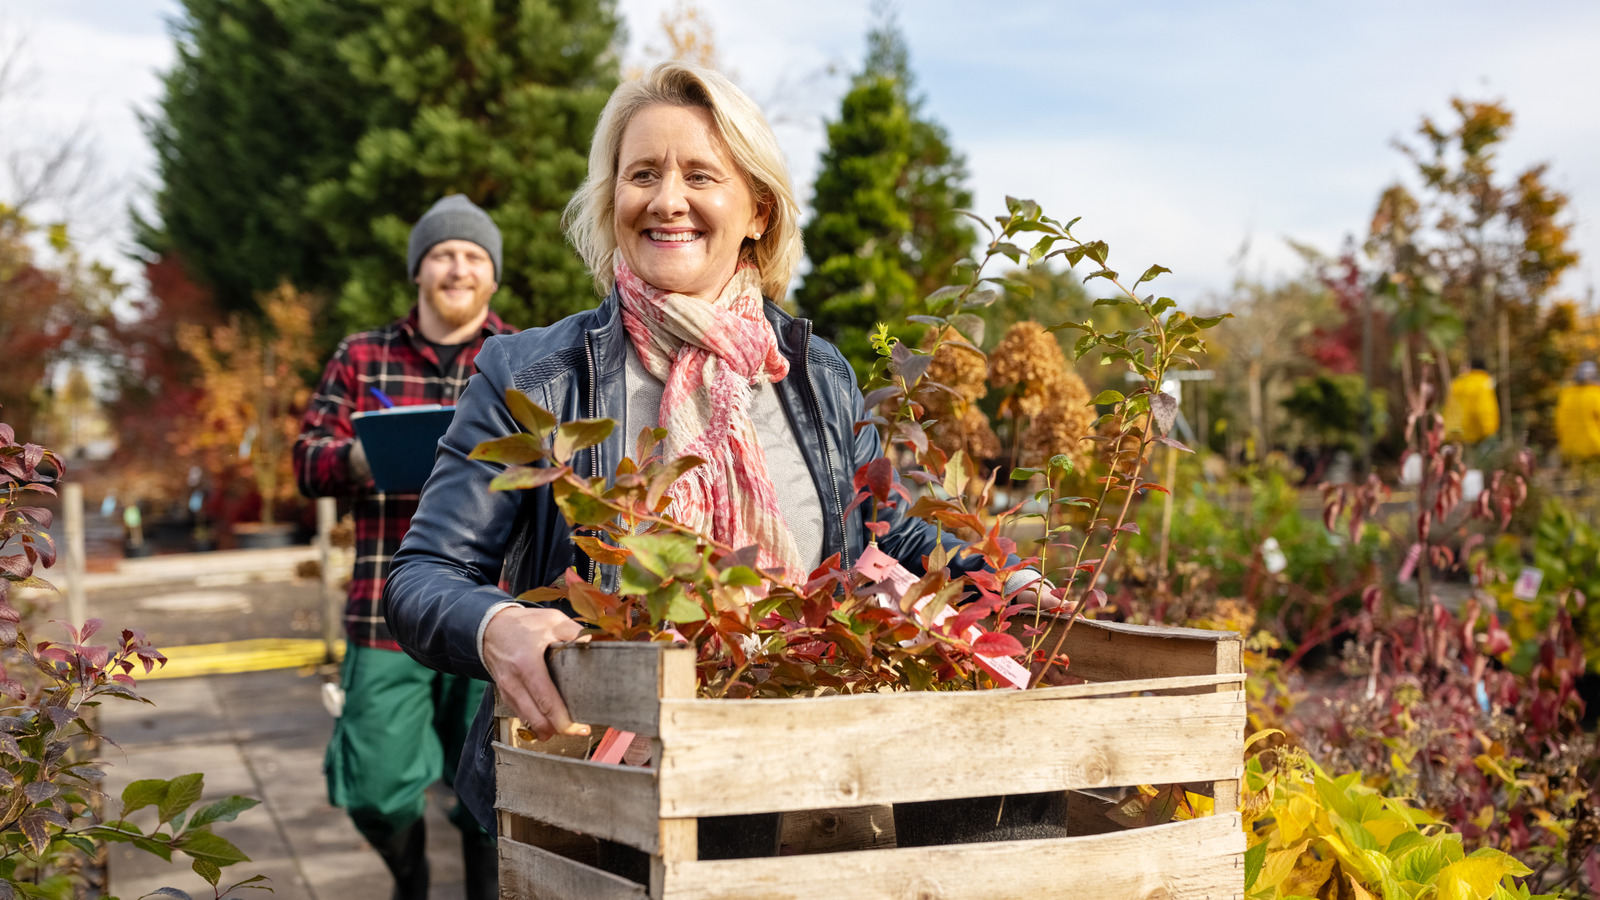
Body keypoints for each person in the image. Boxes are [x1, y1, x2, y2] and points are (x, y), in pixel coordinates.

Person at [382, 62, 1043, 840]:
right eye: (641, 175)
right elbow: (423, 576)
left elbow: (885, 533)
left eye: (701, 174)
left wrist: (1000, 574)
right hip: (601, 801)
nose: (667, 200)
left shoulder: (814, 373)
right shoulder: (535, 376)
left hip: (801, 779)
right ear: (612, 201)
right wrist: (495, 625)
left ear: (757, 210)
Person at [293, 194, 516, 900]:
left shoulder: (524, 355)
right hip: (384, 613)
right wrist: (367, 458)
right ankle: (410, 878)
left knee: (502, 787)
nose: (458, 268)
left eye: (474, 256)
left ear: (493, 276)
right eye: (444, 254)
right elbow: (306, 459)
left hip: (495, 607)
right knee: (377, 790)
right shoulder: (362, 355)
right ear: (419, 270)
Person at [1444, 359, 1500, 446]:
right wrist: (1490, 430)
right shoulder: (1483, 382)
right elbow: (1485, 408)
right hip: (1477, 434)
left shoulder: (1456, 383)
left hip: (1455, 433)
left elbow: (1449, 409)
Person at [1556, 360, 1600, 461]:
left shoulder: (1566, 395)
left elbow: (1559, 423)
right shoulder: (1595, 394)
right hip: (1595, 447)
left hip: (1570, 448)